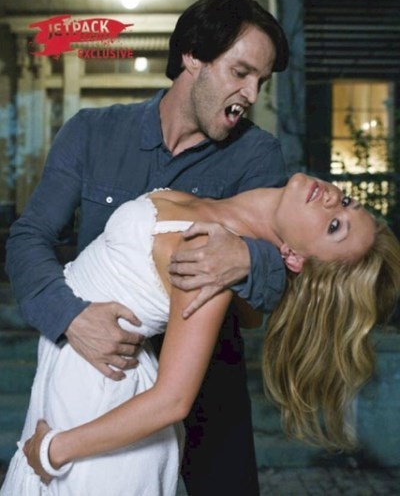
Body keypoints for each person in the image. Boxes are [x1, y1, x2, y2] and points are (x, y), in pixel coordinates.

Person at [6, 0, 290, 495]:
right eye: (240, 72)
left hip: (207, 387)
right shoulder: (92, 132)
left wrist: (247, 256)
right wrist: (71, 317)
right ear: (193, 57)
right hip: (99, 372)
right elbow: (30, 237)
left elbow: (279, 270)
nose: (250, 93)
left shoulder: (258, 155)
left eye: (261, 81)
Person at [2, 174, 400, 496]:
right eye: (348, 203)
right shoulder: (223, 230)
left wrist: (56, 450)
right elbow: (249, 317)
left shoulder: (210, 258)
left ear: (295, 258)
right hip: (74, 389)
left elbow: (174, 400)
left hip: (96, 415)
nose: (334, 200)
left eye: (334, 227)